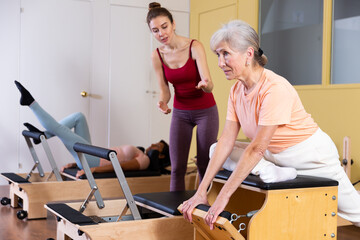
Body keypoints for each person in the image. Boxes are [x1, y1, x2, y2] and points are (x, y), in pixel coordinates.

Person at [181, 20, 360, 229]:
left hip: (309, 156)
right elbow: (227, 140)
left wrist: (222, 197)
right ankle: (271, 171)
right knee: (215, 148)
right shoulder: (236, 91)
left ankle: (271, 170)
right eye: (217, 55)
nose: (220, 63)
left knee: (357, 214)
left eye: (225, 53)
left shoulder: (274, 87)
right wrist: (201, 192)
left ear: (248, 54)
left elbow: (256, 148)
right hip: (271, 157)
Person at [14, 80, 170, 179]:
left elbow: (120, 168)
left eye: (157, 146)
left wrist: (94, 170)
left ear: (161, 155)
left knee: (60, 130)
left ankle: (31, 103)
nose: (153, 145)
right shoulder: (140, 151)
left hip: (93, 161)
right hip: (93, 154)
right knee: (79, 117)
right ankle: (43, 136)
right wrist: (76, 164)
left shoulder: (145, 160)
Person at [147, 2, 219, 191]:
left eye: (164, 27)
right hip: (180, 113)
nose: (161, 33)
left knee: (204, 164)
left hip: (205, 112)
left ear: (173, 24)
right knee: (177, 167)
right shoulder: (157, 55)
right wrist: (163, 102)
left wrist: (205, 85)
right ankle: (176, 216)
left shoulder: (194, 46)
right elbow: (165, 89)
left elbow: (209, 84)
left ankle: (204, 208)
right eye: (155, 30)